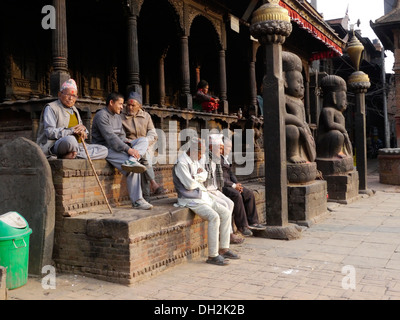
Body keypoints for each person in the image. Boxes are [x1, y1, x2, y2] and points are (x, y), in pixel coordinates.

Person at [172, 137, 240, 266]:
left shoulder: (194, 160)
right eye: (200, 152)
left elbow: (204, 175)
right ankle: (213, 255)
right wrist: (197, 178)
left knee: (225, 212)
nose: (202, 155)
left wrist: (196, 177)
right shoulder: (181, 163)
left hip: (203, 195)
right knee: (214, 217)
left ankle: (224, 248)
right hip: (190, 199)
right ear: (192, 150)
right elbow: (189, 185)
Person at [91, 92, 152, 210]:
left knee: (143, 141)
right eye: (120, 104)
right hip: (106, 148)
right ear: (111, 103)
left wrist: (128, 143)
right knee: (134, 168)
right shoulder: (101, 115)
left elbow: (121, 136)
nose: (122, 107)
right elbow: (110, 138)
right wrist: (128, 149)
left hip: (120, 146)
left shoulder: (118, 117)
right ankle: (137, 201)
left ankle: (132, 160)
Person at [36, 79, 108, 160]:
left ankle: (74, 155)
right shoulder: (51, 108)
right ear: (60, 94)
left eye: (74, 96)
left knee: (104, 150)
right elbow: (50, 132)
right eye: (68, 95)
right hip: (58, 144)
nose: (71, 98)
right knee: (71, 140)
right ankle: (74, 154)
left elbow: (81, 129)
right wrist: (71, 131)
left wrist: (83, 130)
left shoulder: (75, 110)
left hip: (78, 146)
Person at [121, 91, 168, 201]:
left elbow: (153, 134)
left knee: (144, 158)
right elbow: (121, 136)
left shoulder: (146, 116)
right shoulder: (121, 116)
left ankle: (146, 196)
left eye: (133, 105)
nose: (130, 107)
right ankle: (153, 185)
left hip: (146, 147)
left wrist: (145, 142)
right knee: (144, 157)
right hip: (130, 147)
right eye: (128, 104)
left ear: (139, 106)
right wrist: (136, 144)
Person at [202, 133, 245, 243]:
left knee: (230, 203)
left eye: (222, 149)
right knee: (225, 205)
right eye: (219, 148)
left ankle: (228, 233)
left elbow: (221, 178)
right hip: (206, 190)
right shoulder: (204, 159)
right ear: (211, 148)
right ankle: (227, 235)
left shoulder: (216, 159)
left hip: (215, 189)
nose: (221, 151)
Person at [221, 138, 266, 235]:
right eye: (228, 147)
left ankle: (253, 222)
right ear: (222, 147)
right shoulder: (217, 159)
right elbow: (219, 178)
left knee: (248, 193)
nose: (229, 149)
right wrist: (233, 186)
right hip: (223, 186)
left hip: (231, 184)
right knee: (236, 195)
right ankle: (242, 226)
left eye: (230, 147)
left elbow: (231, 173)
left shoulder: (226, 157)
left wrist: (237, 184)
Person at [283, 51, 316, 164]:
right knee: (292, 130)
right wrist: (299, 123)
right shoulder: (283, 98)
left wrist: (304, 125)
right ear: (285, 81)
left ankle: (304, 156)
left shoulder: (299, 102)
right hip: (289, 130)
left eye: (302, 82)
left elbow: (303, 118)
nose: (302, 85)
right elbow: (283, 116)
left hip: (302, 129)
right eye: (298, 82)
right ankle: (292, 154)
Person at [317, 75, 353, 159]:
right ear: (334, 97)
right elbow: (330, 125)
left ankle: (340, 151)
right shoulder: (327, 110)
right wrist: (343, 130)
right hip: (326, 141)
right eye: (344, 99)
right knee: (337, 134)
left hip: (338, 140)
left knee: (339, 136)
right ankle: (333, 154)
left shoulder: (339, 113)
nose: (346, 102)